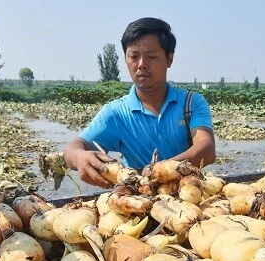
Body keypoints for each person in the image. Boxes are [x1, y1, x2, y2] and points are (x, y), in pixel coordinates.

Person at [64, 17, 216, 188]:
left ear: (169, 59)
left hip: (189, 193)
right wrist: (79, 157)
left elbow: (207, 148)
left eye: (151, 56)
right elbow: (73, 149)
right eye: (134, 56)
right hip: (139, 199)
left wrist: (160, 171)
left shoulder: (190, 103)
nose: (141, 65)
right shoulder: (116, 113)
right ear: (125, 58)